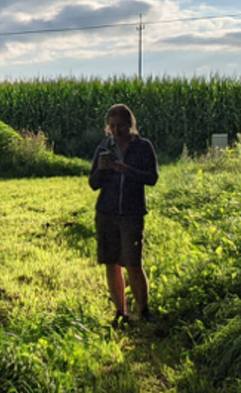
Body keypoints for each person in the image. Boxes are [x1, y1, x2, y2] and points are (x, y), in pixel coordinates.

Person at [89, 103, 159, 327]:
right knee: (111, 263)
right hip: (106, 213)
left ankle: (144, 310)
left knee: (133, 263)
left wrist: (125, 170)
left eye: (120, 125)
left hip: (131, 213)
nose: (116, 130)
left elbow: (152, 178)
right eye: (112, 126)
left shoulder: (143, 147)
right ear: (107, 127)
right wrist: (101, 169)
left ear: (130, 125)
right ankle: (121, 312)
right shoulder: (103, 149)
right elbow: (93, 184)